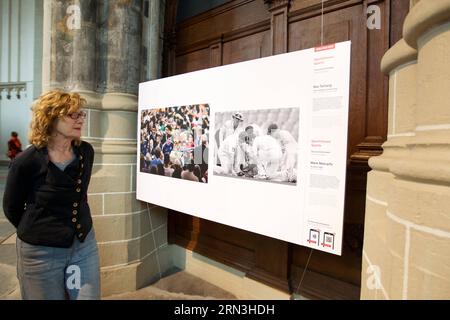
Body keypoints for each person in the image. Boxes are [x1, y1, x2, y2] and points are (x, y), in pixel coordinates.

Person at [2, 90, 100, 300]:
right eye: (73, 115)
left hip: (83, 245)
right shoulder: (26, 161)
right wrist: (39, 231)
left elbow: (80, 195)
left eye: (81, 114)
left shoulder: (86, 152)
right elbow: (12, 207)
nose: (80, 119)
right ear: (51, 118)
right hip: (40, 252)